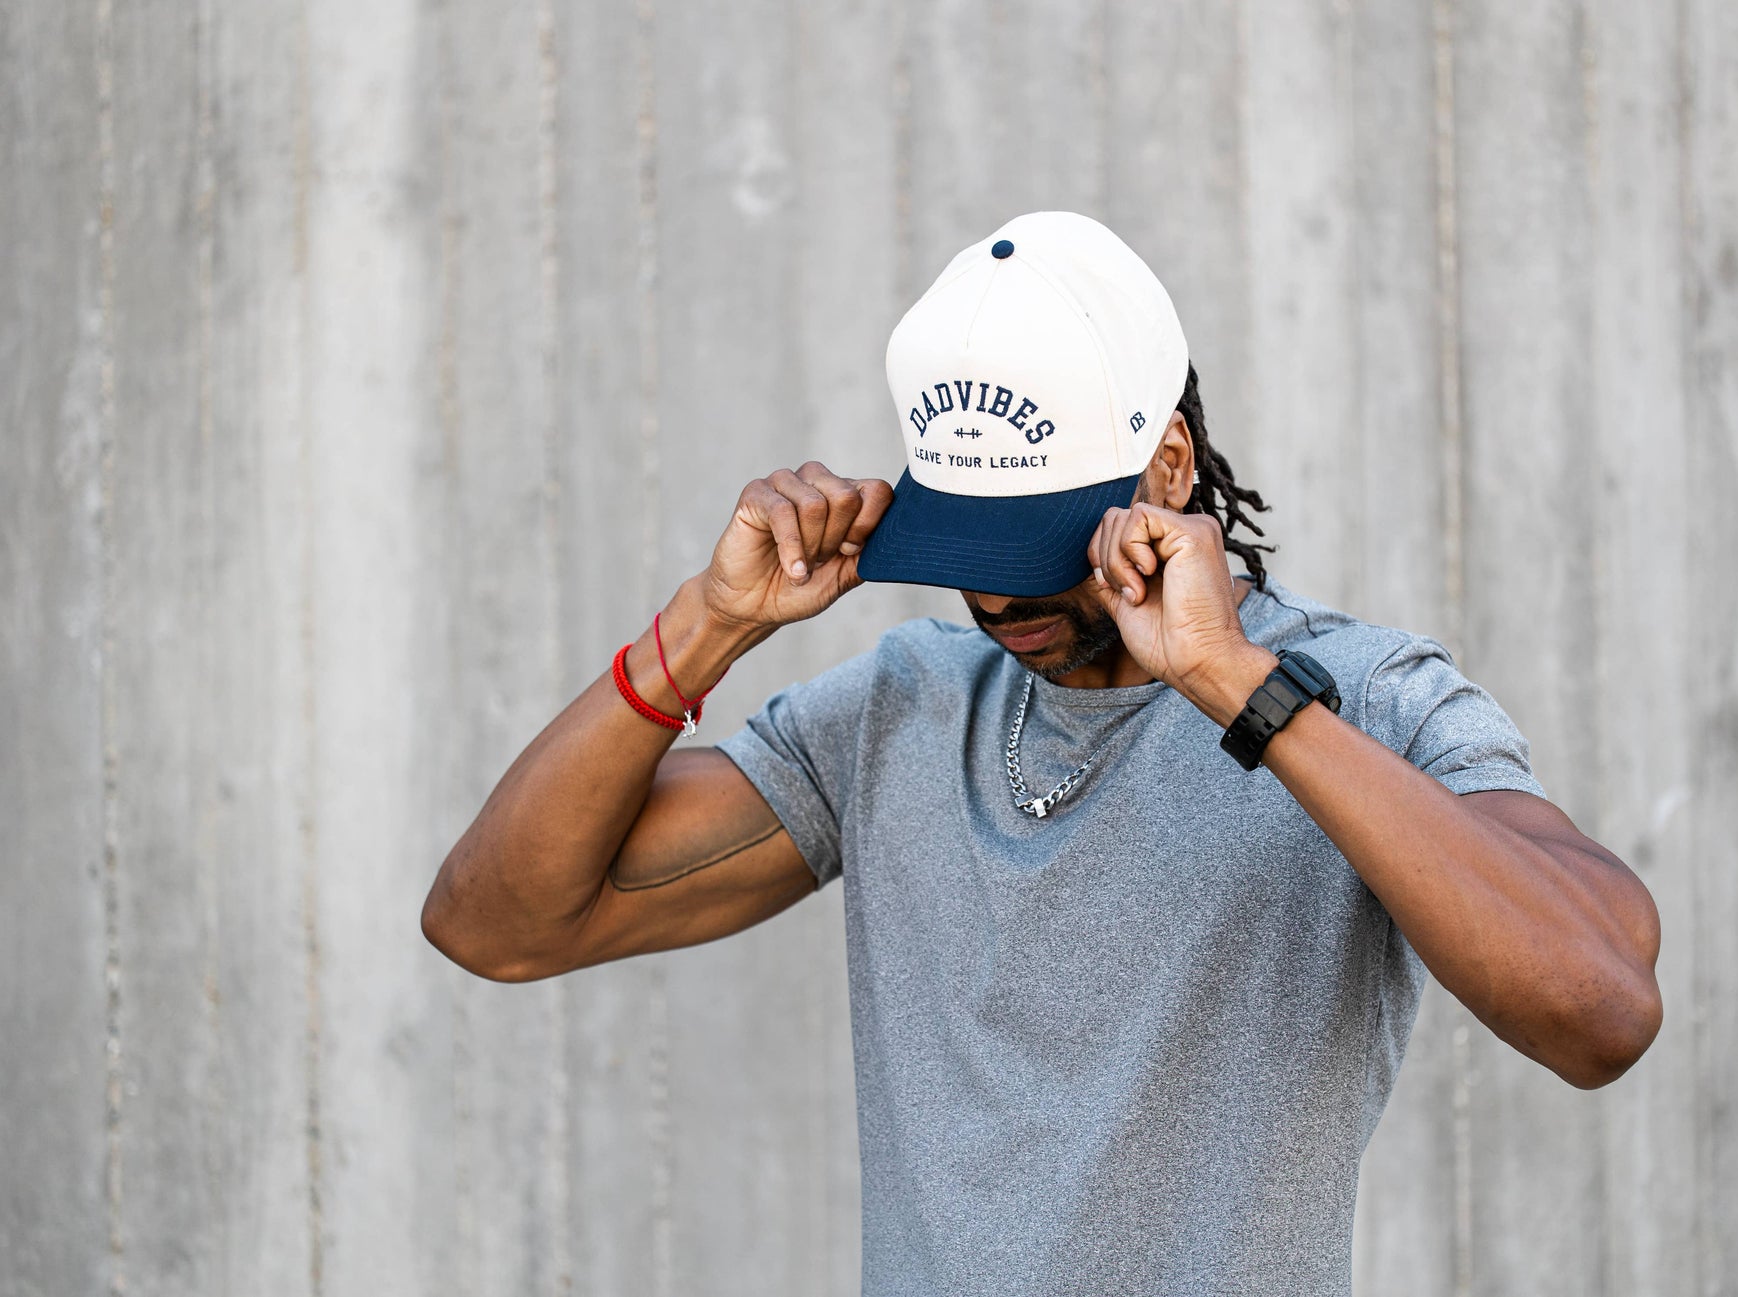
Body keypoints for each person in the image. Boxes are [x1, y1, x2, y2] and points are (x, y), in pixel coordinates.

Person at [422, 211, 1662, 1294]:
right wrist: (707, 625)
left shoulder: (1365, 700)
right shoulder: (900, 709)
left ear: (1164, 463)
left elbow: (1597, 1009)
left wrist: (1233, 682)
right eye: (965, 541)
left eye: (1034, 540)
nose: (996, 599)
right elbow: (501, 924)